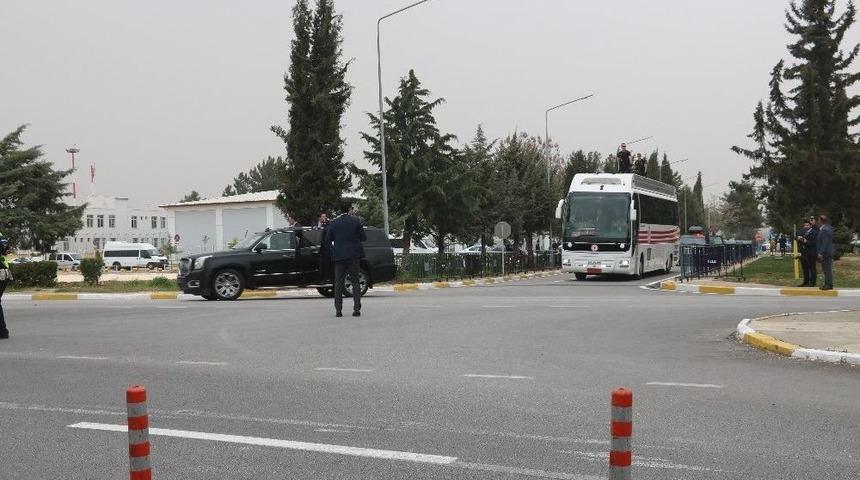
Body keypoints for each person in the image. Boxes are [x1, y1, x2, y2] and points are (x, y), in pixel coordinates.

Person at [323, 203, 367, 317]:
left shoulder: (334, 222)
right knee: (355, 282)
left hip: (339, 256)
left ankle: (338, 310)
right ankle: (357, 309)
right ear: (349, 209)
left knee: (338, 282)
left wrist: (335, 248)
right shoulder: (356, 221)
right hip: (353, 256)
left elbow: (327, 239)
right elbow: (363, 237)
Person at [797, 219, 818, 287]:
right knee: (805, 267)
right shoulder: (804, 232)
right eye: (805, 225)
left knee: (812, 268)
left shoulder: (814, 232)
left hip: (811, 252)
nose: (806, 226)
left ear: (810, 225)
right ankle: (805, 281)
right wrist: (799, 238)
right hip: (804, 252)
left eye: (807, 225)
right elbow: (797, 238)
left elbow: (815, 243)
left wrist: (806, 241)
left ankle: (813, 282)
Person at [817, 215, 834, 290]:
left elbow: (824, 242)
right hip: (827, 251)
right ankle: (828, 283)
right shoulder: (828, 228)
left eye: (818, 220)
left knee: (826, 269)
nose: (818, 221)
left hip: (826, 252)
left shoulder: (825, 230)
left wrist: (820, 252)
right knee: (827, 269)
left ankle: (828, 284)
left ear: (821, 221)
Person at [0, 236, 12, 339]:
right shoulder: (2, 237)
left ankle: (2, 331)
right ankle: (3, 331)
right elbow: (7, 251)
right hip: (4, 274)